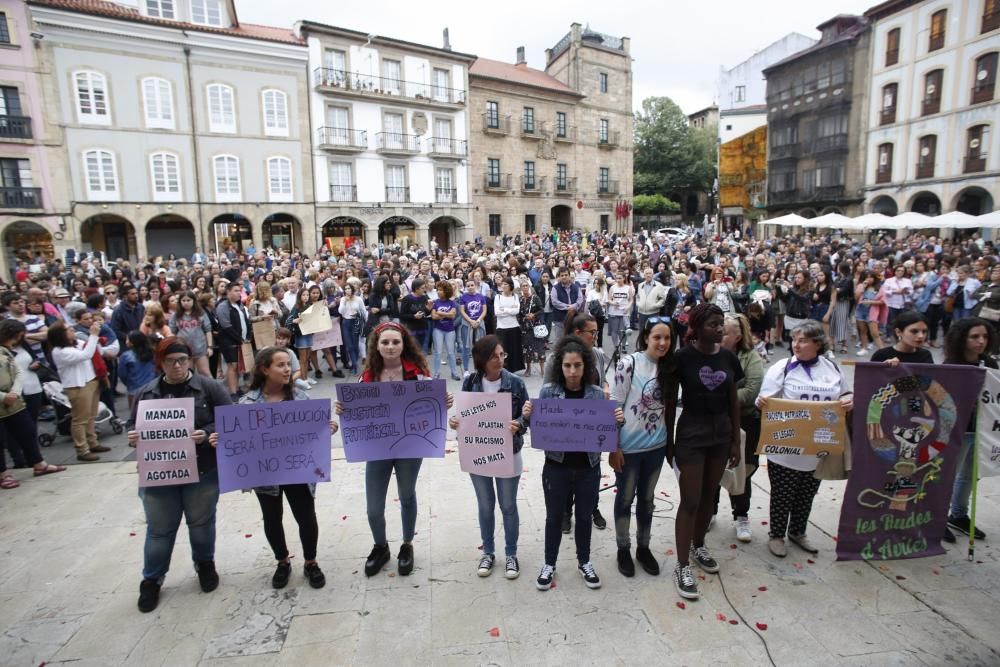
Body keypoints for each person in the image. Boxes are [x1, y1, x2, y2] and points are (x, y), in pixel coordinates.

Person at [334, 322, 452, 577]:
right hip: (377, 449)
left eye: (395, 342)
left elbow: (431, 404)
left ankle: (407, 545)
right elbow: (356, 412)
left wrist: (444, 401)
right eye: (385, 342)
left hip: (410, 447)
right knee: (373, 507)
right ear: (376, 346)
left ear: (404, 344)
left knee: (407, 495)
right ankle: (381, 546)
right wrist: (344, 410)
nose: (390, 347)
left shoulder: (418, 373)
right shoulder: (366, 377)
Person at [217, 347, 338, 589]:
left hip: (298, 471)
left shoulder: (301, 398)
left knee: (306, 516)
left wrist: (327, 429)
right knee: (272, 517)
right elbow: (239, 440)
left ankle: (311, 562)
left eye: (288, 364)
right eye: (280, 365)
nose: (287, 370)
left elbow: (312, 433)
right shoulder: (246, 403)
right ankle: (282, 561)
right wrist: (221, 440)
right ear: (264, 369)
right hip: (265, 473)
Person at [127, 337, 232, 612]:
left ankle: (205, 565)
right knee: (159, 530)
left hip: (201, 470)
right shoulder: (146, 393)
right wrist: (134, 436)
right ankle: (151, 579)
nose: (177, 366)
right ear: (160, 363)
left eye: (182, 360)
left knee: (201, 524)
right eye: (170, 361)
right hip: (159, 475)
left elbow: (229, 419)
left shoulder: (208, 387)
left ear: (189, 361)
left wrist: (207, 433)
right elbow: (132, 424)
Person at [527, 335, 624, 591]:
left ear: (586, 366)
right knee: (553, 518)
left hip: (588, 468)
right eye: (568, 365)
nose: (572, 371)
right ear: (560, 366)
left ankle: (584, 561)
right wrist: (527, 415)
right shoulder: (548, 393)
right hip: (556, 467)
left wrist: (618, 419)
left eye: (577, 365)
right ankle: (549, 563)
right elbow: (534, 426)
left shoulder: (596, 395)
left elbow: (610, 427)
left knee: (583, 517)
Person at [664, 303, 742, 600]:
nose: (720, 329)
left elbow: (733, 400)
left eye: (721, 324)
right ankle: (682, 565)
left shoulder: (728, 358)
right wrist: (669, 441)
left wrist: (735, 439)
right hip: (691, 435)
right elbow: (671, 402)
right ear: (698, 328)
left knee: (709, 498)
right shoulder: (682, 358)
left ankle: (698, 545)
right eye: (713, 325)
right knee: (691, 500)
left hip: (720, 436)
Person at [756, 321, 852, 558]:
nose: (796, 345)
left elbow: (846, 393)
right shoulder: (783, 367)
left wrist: (850, 400)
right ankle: (776, 536)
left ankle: (798, 532)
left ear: (817, 343)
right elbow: (766, 399)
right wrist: (761, 402)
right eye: (794, 339)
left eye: (803, 340)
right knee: (782, 495)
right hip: (786, 448)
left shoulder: (831, 367)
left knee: (807, 494)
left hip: (818, 447)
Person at [448, 335, 530, 579]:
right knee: (485, 505)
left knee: (508, 506)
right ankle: (489, 552)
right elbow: (463, 415)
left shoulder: (515, 382)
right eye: (494, 356)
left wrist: (520, 423)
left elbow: (528, 415)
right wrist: (456, 422)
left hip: (509, 452)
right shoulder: (470, 382)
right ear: (481, 359)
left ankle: (511, 554)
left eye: (502, 355)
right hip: (478, 452)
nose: (499, 360)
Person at [608, 315, 675, 578]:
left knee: (647, 501)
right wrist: (614, 447)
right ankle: (623, 548)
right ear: (646, 337)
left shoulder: (671, 367)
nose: (662, 343)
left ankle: (643, 547)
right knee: (625, 499)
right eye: (657, 337)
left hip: (656, 447)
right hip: (628, 449)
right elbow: (614, 404)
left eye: (667, 338)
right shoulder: (629, 364)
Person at [943, 317, 998, 544]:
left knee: (970, 476)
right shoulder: (951, 366)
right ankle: (937, 518)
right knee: (949, 475)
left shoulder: (990, 364)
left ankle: (959, 514)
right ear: (961, 338)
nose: (981, 341)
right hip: (959, 429)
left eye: (984, 336)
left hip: (983, 430)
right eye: (974, 336)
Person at [711, 314, 765, 542]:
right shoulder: (710, 354)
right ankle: (709, 512)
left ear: (737, 337)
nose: (718, 335)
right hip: (715, 421)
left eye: (724, 332)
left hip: (744, 422)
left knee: (743, 471)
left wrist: (722, 397)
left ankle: (741, 515)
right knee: (712, 470)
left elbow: (752, 391)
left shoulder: (751, 358)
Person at [0, 320, 65, 489]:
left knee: (28, 430)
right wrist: (3, 396)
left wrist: (14, 392)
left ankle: (38, 463)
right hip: (3, 400)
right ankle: (2, 474)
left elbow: (18, 372)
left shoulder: (10, 350)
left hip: (14, 400)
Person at [48, 320, 108, 462]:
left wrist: (93, 337)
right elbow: (86, 354)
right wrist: (93, 335)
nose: (72, 331)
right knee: (80, 419)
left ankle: (93, 442)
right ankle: (82, 449)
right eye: (68, 329)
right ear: (60, 335)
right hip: (78, 386)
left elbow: (89, 348)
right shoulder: (59, 351)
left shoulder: (75, 344)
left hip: (91, 381)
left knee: (91, 416)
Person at [216, 282, 252, 396]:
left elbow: (246, 321)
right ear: (228, 292)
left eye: (239, 291)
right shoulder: (222, 306)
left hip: (241, 340)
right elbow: (226, 326)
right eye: (236, 291)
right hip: (229, 341)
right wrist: (240, 339)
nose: (238, 293)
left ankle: (237, 388)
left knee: (238, 366)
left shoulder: (239, 305)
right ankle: (232, 392)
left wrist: (247, 337)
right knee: (232, 366)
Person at [169, 291, 213, 378]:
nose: (186, 303)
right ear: (180, 302)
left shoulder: (200, 313)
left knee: (205, 372)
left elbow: (208, 330)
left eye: (188, 300)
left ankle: (212, 390)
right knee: (188, 374)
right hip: (184, 350)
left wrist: (210, 346)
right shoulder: (176, 315)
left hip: (200, 348)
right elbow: (172, 332)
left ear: (193, 301)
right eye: (183, 300)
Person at [119, 331, 157, 412]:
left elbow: (122, 374)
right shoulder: (152, 353)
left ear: (132, 343)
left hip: (134, 389)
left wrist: (129, 383)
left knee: (135, 414)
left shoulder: (126, 356)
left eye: (127, 339)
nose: (126, 341)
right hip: (152, 387)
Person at [430, 280, 460, 380]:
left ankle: (454, 373)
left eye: (441, 290)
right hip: (438, 329)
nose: (438, 292)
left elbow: (452, 315)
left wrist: (440, 313)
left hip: (450, 330)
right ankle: (437, 373)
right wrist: (446, 315)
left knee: (451, 352)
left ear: (446, 291)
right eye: (438, 290)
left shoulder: (452, 303)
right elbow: (434, 316)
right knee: (437, 352)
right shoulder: (435, 302)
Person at [494, 278, 524, 374]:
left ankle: (513, 370)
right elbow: (497, 312)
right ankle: (503, 369)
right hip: (501, 327)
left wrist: (504, 309)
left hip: (514, 326)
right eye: (502, 284)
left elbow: (516, 311)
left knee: (514, 349)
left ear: (510, 286)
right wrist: (510, 309)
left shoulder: (515, 297)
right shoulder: (498, 297)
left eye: (506, 284)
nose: (503, 286)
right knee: (503, 350)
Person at [459, 279, 488, 373]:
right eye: (468, 286)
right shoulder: (463, 297)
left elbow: (484, 310)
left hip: (479, 323)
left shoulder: (481, 296)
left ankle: (480, 368)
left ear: (475, 286)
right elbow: (462, 311)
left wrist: (478, 320)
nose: (470, 287)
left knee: (481, 347)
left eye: (472, 285)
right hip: (467, 324)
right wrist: (471, 321)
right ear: (465, 287)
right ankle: (466, 370)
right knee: (466, 347)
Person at [517, 280, 544, 376]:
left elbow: (541, 310)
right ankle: (528, 369)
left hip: (536, 326)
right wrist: (522, 319)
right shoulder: (520, 300)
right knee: (527, 348)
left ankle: (542, 370)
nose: (525, 287)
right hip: (525, 327)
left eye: (526, 285)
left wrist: (534, 315)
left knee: (540, 347)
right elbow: (518, 314)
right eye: (523, 286)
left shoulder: (535, 298)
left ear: (529, 287)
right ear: (520, 288)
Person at [338, 283, 366, 375]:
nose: (347, 290)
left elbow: (363, 311)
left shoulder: (358, 299)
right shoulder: (343, 299)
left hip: (355, 322)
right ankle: (354, 365)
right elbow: (341, 311)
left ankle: (355, 363)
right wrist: (345, 302)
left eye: (349, 288)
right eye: (345, 289)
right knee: (349, 346)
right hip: (346, 322)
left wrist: (363, 320)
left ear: (352, 289)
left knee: (355, 345)